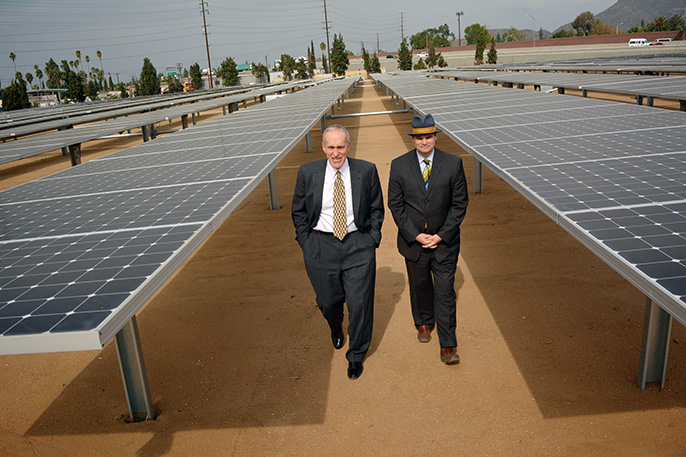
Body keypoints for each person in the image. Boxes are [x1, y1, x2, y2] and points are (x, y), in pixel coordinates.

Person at [292, 124, 384, 379]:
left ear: (348, 147)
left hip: (358, 245)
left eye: (340, 147)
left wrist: (371, 239)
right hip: (321, 246)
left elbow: (377, 208)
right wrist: (306, 242)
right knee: (328, 302)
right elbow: (298, 211)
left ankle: (355, 355)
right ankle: (335, 325)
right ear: (323, 148)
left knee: (360, 304)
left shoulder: (366, 171)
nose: (335, 153)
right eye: (330, 147)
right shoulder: (307, 172)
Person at [387, 114, 468, 365]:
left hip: (445, 243)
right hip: (414, 243)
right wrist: (415, 234)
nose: (424, 141)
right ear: (413, 140)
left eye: (429, 136)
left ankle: (448, 344)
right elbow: (396, 205)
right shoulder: (399, 165)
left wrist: (441, 235)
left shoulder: (453, 163)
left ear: (435, 137)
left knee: (444, 292)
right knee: (419, 285)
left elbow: (459, 204)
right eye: (419, 137)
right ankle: (423, 322)